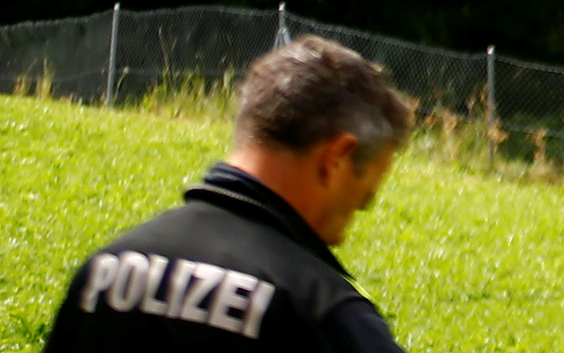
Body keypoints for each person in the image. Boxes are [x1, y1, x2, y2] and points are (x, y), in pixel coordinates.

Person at [46, 36, 413, 353]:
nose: (341, 236)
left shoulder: (103, 273)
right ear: (336, 158)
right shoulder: (324, 314)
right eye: (362, 200)